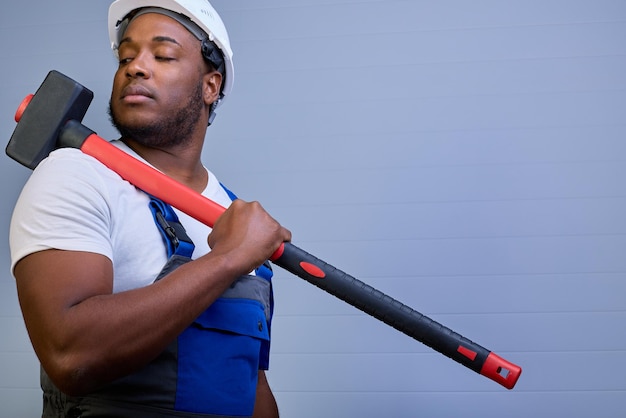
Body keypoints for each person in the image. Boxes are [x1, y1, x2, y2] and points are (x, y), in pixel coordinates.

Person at [8, 0, 291, 416]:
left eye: (162, 55)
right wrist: (229, 258)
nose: (135, 67)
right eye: (126, 56)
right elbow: (71, 355)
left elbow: (253, 384)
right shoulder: (75, 177)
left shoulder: (238, 217)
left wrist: (241, 251)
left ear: (211, 86)